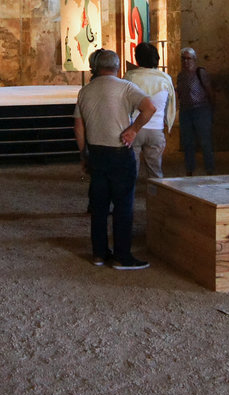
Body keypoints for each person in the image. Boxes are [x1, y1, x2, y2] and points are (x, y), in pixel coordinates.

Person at [74, 48, 157, 269]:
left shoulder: (85, 91)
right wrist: (133, 130)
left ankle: (99, 254)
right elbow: (149, 108)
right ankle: (122, 256)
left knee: (99, 207)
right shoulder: (125, 87)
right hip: (119, 153)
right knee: (123, 205)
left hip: (96, 153)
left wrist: (84, 154)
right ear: (117, 66)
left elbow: (78, 126)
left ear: (96, 67)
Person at [124, 42, 176, 180]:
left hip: (134, 128)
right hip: (156, 129)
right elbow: (169, 105)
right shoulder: (165, 79)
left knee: (131, 170)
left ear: (137, 58)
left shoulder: (130, 77)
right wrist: (166, 123)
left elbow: (124, 103)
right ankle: (155, 192)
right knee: (155, 171)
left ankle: (130, 192)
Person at [175, 47, 216, 175]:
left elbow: (209, 90)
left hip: (201, 109)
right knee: (188, 142)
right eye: (183, 59)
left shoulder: (200, 72)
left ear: (194, 59)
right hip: (186, 111)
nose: (186, 61)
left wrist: (212, 108)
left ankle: (209, 168)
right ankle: (189, 169)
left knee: (205, 141)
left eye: (189, 59)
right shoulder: (181, 75)